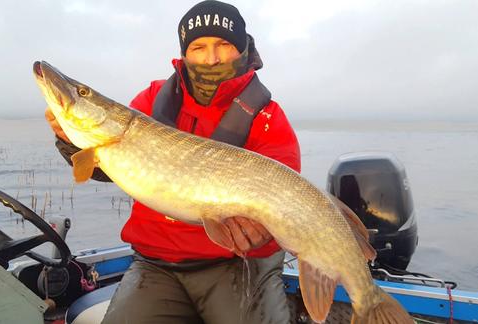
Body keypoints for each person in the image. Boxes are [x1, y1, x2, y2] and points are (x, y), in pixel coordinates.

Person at [45, 1, 301, 323]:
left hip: (237, 264)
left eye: (224, 45)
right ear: (185, 54)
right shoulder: (150, 101)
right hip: (156, 265)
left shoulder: (269, 120)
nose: (212, 58)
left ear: (244, 49)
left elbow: (286, 212)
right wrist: (70, 142)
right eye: (199, 47)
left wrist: (260, 234)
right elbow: (105, 168)